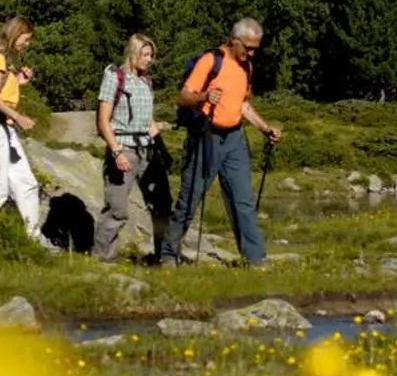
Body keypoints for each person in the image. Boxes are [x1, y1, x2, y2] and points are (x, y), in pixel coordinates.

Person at [159, 18, 282, 267]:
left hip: (234, 138)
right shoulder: (211, 61)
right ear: (233, 40)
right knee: (190, 198)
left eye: (255, 48)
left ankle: (256, 259)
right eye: (248, 47)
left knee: (242, 200)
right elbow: (182, 97)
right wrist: (205, 96)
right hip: (206, 136)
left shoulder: (247, 67)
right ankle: (169, 254)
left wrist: (265, 128)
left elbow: (242, 104)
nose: (251, 53)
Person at [93, 34, 172, 264]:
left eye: (151, 55)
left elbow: (148, 122)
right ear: (133, 53)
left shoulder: (146, 82)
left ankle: (164, 257)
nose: (149, 59)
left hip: (148, 150)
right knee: (117, 209)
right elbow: (103, 121)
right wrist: (116, 152)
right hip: (123, 147)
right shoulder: (114, 77)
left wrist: (162, 150)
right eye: (145, 54)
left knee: (162, 205)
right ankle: (103, 259)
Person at [0, 17, 53, 249]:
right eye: (25, 39)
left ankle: (33, 237)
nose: (26, 44)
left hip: (4, 128)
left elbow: (1, 90)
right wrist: (18, 117)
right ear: (15, 34)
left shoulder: (5, 60)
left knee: (26, 182)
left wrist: (18, 81)